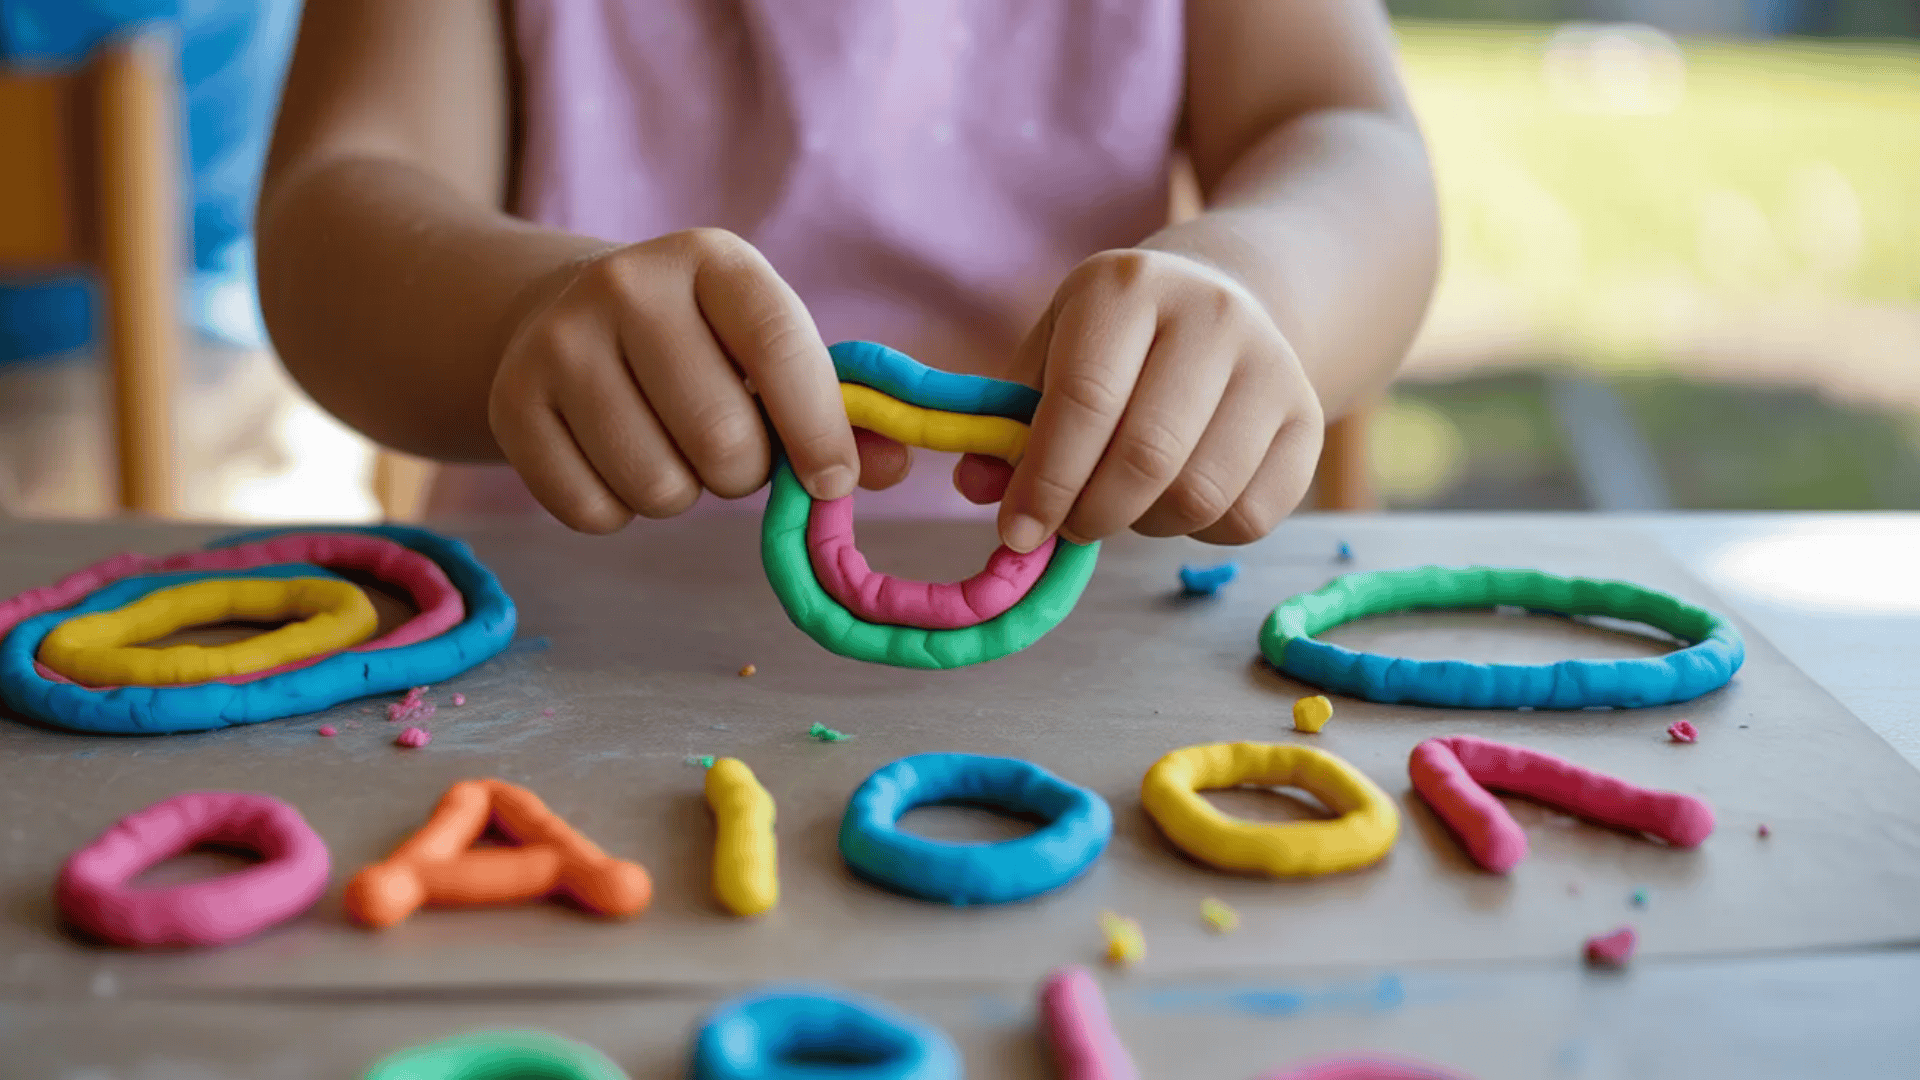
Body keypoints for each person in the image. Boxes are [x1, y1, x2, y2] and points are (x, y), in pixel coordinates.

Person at [258, 1, 1438, 552]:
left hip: (1093, 625)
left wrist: (1264, 281)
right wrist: (518, 312)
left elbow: (1345, 138)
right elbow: (336, 211)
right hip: (561, 625)